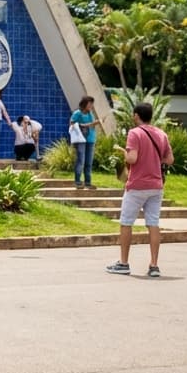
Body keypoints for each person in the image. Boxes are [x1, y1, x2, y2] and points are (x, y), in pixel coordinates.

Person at [106, 102, 174, 277]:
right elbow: (170, 160)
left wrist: (124, 154)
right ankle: (154, 266)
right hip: (156, 185)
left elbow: (132, 158)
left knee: (126, 222)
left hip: (137, 185)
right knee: (153, 223)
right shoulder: (161, 134)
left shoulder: (134, 133)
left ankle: (123, 263)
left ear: (136, 115)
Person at [70, 96, 99, 189]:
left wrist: (96, 123)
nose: (91, 105)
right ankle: (77, 181)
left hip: (90, 139)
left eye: (92, 104)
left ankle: (88, 182)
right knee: (81, 160)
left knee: (88, 162)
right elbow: (72, 125)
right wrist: (89, 124)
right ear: (84, 103)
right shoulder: (77, 113)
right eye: (89, 103)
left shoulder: (91, 114)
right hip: (80, 139)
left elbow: (92, 125)